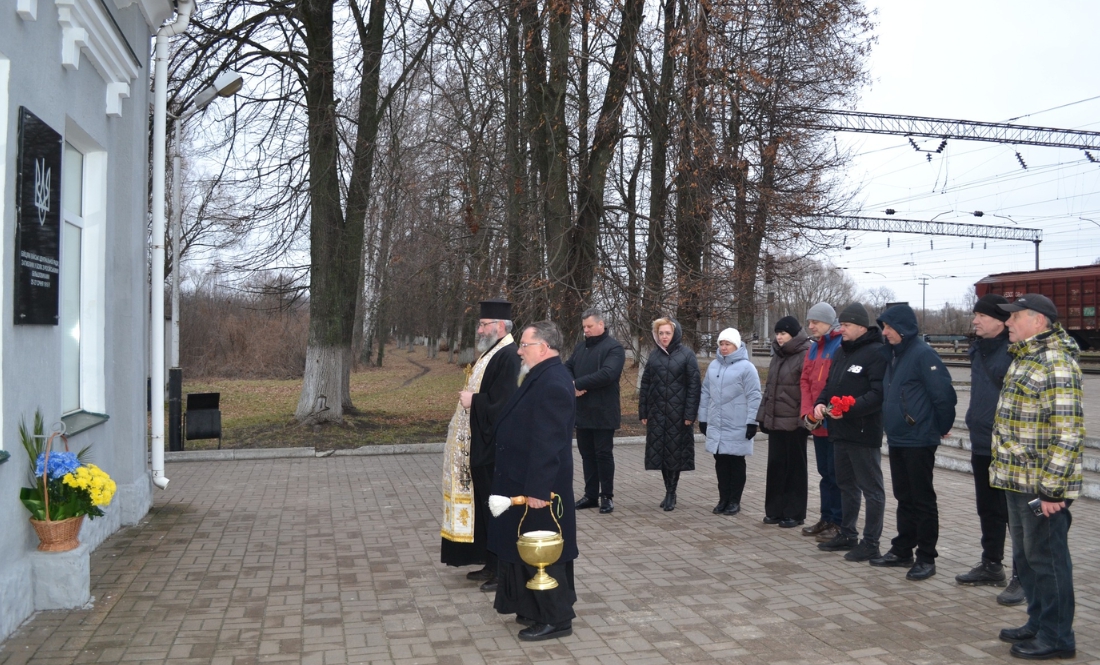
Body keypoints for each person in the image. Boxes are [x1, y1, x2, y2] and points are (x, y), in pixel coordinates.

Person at [991, 294, 1083, 660]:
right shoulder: (1026, 357)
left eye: (1015, 317)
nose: (1008, 323)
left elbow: (1069, 433)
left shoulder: (1055, 362)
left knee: (1048, 561)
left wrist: (1051, 489)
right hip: (1016, 479)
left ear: (1038, 320)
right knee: (1027, 559)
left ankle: (1058, 637)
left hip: (1041, 486)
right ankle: (1038, 621)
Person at [489, 321, 578, 641]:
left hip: (540, 486)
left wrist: (539, 489)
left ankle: (556, 618)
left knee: (543, 549)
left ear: (543, 347)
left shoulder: (553, 381)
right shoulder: (540, 375)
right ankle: (531, 608)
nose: (519, 350)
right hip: (523, 479)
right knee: (524, 547)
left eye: (524, 345)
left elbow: (549, 441)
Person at [440, 299, 521, 592]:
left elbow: (506, 402)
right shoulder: (493, 352)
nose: (479, 330)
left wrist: (474, 400)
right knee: (485, 507)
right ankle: (490, 563)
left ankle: (502, 570)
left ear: (500, 327)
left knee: (496, 509)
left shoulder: (509, 355)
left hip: (494, 448)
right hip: (482, 444)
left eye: (483, 325)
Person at [871, 304, 957, 581]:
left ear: (903, 329)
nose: (884, 332)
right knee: (904, 497)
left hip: (919, 438)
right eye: (883, 327)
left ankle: (926, 557)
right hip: (898, 437)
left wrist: (940, 427)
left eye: (888, 327)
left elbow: (943, 395)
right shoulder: (893, 355)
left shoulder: (922, 355)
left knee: (922, 499)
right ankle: (903, 548)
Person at [955, 294, 1025, 605]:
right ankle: (991, 564)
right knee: (988, 508)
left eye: (981, 316)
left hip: (1008, 446)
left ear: (1000, 320)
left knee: (1015, 514)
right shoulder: (977, 349)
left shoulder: (1013, 352)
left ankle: (1023, 577)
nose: (975, 320)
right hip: (982, 441)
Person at [814, 303, 887, 564]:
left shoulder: (876, 353)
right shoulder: (842, 352)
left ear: (860, 326)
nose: (840, 329)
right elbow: (829, 386)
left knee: (871, 489)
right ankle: (848, 533)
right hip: (840, 431)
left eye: (844, 325)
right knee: (846, 485)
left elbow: (878, 395)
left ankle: (871, 543)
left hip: (863, 432)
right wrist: (821, 402)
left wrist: (850, 407)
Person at [565, 308, 626, 514]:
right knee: (586, 455)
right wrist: (571, 384)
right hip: (582, 411)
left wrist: (578, 383)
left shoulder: (614, 348)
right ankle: (590, 495)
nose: (586, 330)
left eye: (590, 326)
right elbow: (567, 367)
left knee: (603, 455)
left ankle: (606, 496)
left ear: (601, 324)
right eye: (584, 327)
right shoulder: (581, 348)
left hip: (603, 411)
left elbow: (608, 374)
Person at [639, 317, 701, 511]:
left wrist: (690, 414)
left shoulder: (687, 355)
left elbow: (694, 386)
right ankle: (667, 490)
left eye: (668, 333)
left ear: (675, 334)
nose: (664, 336)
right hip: (657, 414)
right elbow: (646, 384)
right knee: (662, 454)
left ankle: (671, 493)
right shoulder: (654, 356)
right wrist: (644, 411)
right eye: (661, 333)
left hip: (678, 415)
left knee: (675, 454)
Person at [698, 328, 761, 516]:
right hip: (717, 422)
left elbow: (754, 395)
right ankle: (723, 499)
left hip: (738, 423)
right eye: (721, 344)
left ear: (736, 345)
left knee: (736, 462)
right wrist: (703, 418)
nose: (724, 348)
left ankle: (735, 500)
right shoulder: (714, 366)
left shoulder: (747, 367)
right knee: (721, 462)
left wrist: (752, 422)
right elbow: (705, 393)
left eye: (728, 344)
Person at [758, 316, 812, 527]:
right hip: (776, 422)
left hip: (795, 423)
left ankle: (794, 513)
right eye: (778, 333)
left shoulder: (805, 354)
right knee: (776, 467)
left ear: (794, 334)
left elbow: (807, 391)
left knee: (795, 469)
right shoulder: (778, 356)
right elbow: (769, 389)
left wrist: (804, 420)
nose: (779, 337)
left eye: (783, 333)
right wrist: (763, 416)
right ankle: (775, 510)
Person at [799, 302, 845, 542]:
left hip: (833, 421)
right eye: (809, 321)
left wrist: (826, 410)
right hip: (817, 422)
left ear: (828, 321)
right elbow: (805, 381)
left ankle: (839, 522)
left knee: (837, 474)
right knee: (825, 473)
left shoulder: (839, 345)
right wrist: (808, 412)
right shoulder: (814, 348)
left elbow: (836, 383)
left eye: (815, 321)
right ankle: (826, 518)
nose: (811, 326)